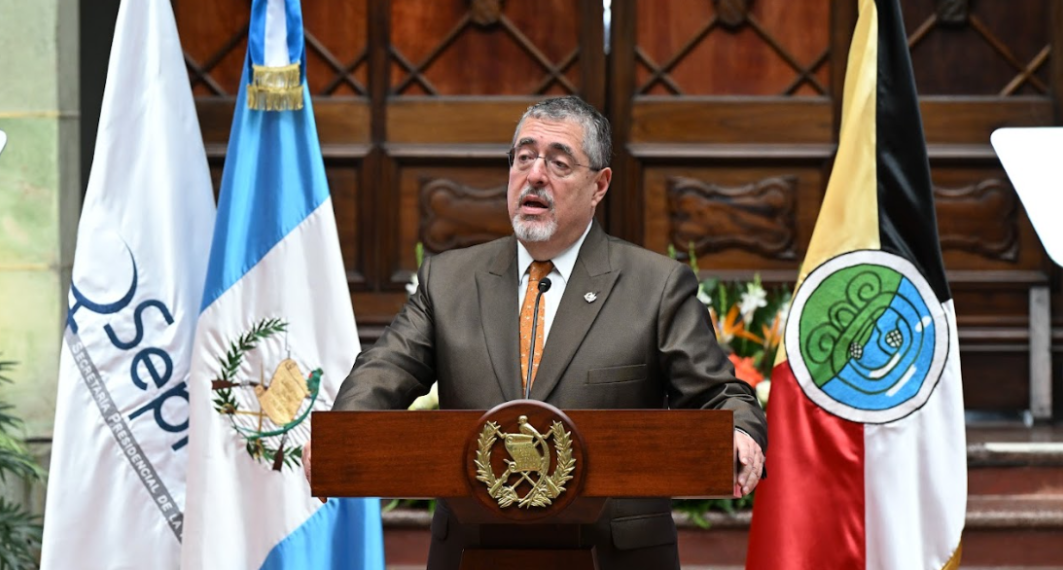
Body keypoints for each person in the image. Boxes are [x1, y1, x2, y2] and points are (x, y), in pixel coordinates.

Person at [313, 95, 766, 569]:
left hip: (613, 557)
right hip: (473, 553)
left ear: (599, 185)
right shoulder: (448, 281)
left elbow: (720, 394)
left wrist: (739, 430)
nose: (534, 175)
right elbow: (385, 370)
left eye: (558, 162)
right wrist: (342, 434)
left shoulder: (656, 286)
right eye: (524, 157)